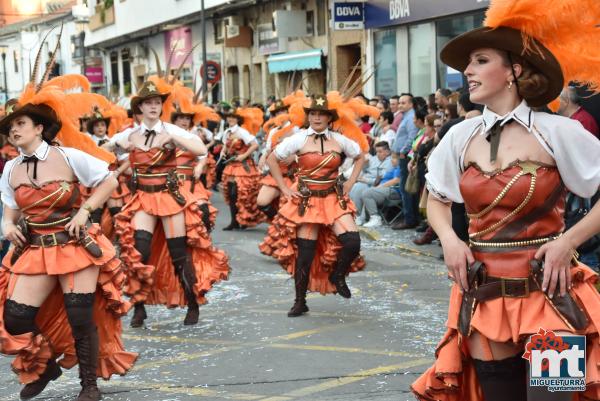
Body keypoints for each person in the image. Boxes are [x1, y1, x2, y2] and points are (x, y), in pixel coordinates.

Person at [412, 1, 600, 399]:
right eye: (469, 64)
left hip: (552, 294)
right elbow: (436, 199)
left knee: (554, 396)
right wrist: (449, 239)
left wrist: (568, 241)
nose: (468, 71)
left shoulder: (558, 131)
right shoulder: (459, 137)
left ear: (514, 70)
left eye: (481, 61)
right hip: (483, 295)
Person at [0, 71, 137, 400]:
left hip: (75, 246)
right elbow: (10, 210)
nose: (14, 130)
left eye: (21, 124)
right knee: (15, 318)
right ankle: (47, 367)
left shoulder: (67, 156)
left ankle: (88, 385)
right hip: (36, 249)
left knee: (80, 316)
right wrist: (7, 226)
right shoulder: (10, 168)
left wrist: (84, 210)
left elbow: (109, 181)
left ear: (39, 127)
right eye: (10, 127)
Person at [106, 81, 229, 327]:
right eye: (148, 102)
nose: (153, 106)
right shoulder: (129, 134)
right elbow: (101, 151)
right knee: (139, 251)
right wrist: (119, 146)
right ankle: (139, 307)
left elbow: (200, 150)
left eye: (157, 102)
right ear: (139, 107)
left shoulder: (172, 130)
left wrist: (173, 138)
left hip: (169, 198)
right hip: (142, 199)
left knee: (178, 254)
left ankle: (192, 304)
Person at [264, 94, 368, 317]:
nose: (317, 117)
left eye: (321, 114)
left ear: (329, 118)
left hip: (333, 198)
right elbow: (272, 159)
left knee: (352, 242)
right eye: (313, 113)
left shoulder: (340, 141)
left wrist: (350, 182)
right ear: (308, 116)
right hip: (307, 201)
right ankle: (300, 301)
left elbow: (360, 156)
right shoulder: (298, 139)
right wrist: (283, 187)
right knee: (305, 255)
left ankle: (338, 275)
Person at [220, 107, 265, 230]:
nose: (231, 119)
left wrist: (244, 155)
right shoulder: (227, 132)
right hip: (230, 166)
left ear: (238, 119)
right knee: (230, 194)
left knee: (241, 194)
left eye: (234, 117)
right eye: (229, 116)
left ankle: (243, 219)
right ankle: (233, 221)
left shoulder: (242, 131)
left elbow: (255, 144)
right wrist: (223, 152)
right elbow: (225, 145)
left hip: (243, 166)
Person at [391, 94, 420, 229]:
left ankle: (410, 219)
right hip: (403, 156)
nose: (400, 105)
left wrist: (403, 152)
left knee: (406, 188)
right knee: (406, 188)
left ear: (410, 104)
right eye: (400, 103)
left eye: (403, 103)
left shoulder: (410, 117)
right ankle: (410, 218)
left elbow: (412, 137)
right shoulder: (405, 116)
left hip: (406, 157)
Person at [350, 141, 392, 225]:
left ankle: (359, 216)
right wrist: (364, 164)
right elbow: (365, 171)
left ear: (387, 152)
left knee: (359, 188)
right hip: (367, 181)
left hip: (376, 184)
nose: (377, 154)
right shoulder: (373, 158)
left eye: (380, 152)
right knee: (354, 187)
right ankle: (356, 216)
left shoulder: (390, 162)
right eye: (376, 152)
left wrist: (364, 180)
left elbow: (380, 180)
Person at [360, 153, 401, 228]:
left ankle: (376, 218)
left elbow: (396, 180)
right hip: (386, 189)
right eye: (391, 158)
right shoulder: (394, 168)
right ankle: (364, 218)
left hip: (393, 191)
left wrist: (380, 187)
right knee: (367, 191)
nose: (392, 160)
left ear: (400, 159)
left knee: (367, 193)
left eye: (394, 158)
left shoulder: (399, 167)